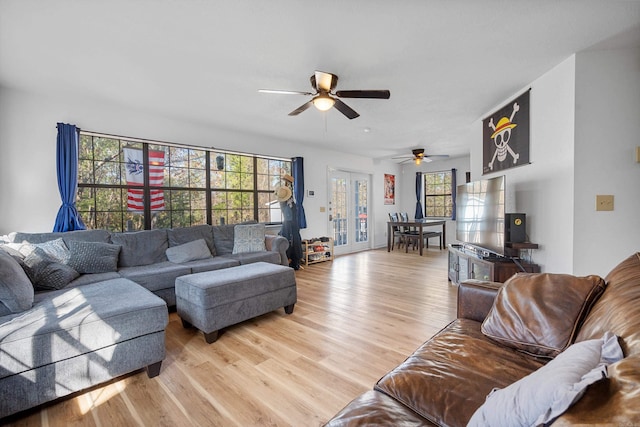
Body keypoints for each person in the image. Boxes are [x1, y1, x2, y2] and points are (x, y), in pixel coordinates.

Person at [274, 174, 303, 270]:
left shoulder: (288, 200)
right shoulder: (284, 203)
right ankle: (291, 260)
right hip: (289, 224)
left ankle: (295, 261)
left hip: (292, 223)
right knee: (290, 241)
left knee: (295, 241)